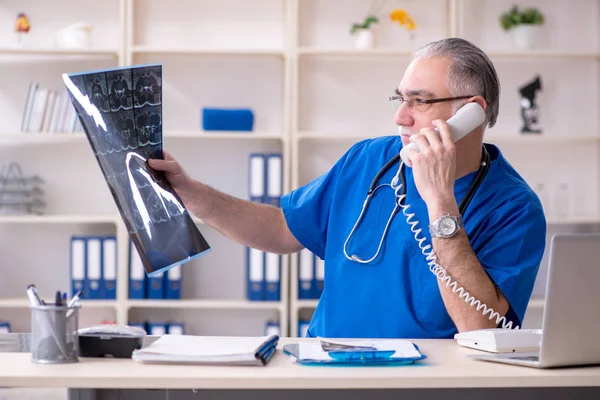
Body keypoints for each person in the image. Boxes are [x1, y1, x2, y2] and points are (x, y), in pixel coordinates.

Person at [148, 37, 547, 339]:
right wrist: (192, 194)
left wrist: (440, 201)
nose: (400, 117)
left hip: (424, 385)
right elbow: (281, 229)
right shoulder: (369, 159)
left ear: (471, 111)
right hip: (327, 370)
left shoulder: (515, 208)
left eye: (419, 101)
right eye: (399, 99)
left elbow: (479, 326)